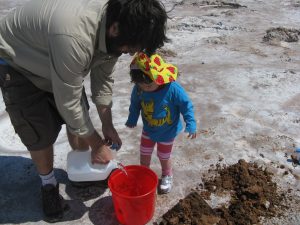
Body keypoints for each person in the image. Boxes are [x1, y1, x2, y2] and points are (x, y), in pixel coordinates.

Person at [0, 0, 168, 222]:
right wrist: (97, 144)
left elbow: (103, 79)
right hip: (19, 61)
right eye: (131, 48)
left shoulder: (114, 30)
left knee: (80, 121)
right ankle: (48, 184)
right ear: (115, 29)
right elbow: (68, 103)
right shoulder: (75, 36)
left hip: (58, 58)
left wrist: (106, 125)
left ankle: (80, 174)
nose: (130, 54)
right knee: (38, 132)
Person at [125, 52, 197, 194]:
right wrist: (132, 118)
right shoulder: (139, 89)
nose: (145, 88)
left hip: (167, 132)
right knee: (144, 154)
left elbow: (186, 105)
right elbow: (135, 104)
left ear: (159, 77)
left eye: (149, 85)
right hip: (148, 130)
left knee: (163, 156)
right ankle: (144, 174)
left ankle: (167, 174)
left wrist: (191, 123)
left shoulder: (172, 89)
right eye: (141, 85)